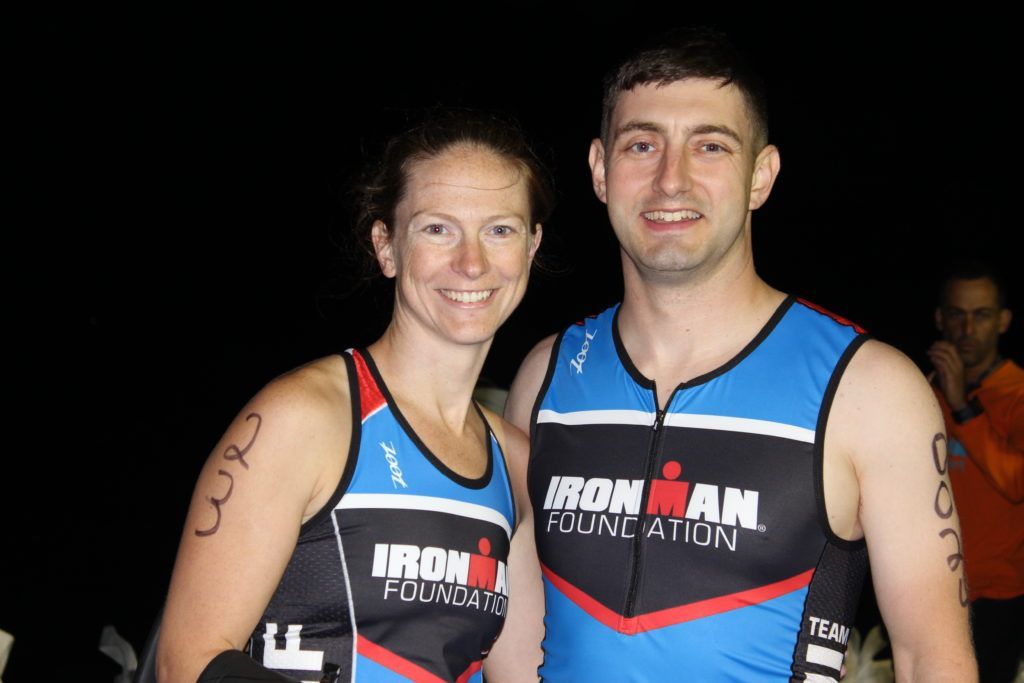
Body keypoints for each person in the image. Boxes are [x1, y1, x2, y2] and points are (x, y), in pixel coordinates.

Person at [488, 28, 977, 682]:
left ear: (761, 176)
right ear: (601, 170)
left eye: (710, 146)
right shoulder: (545, 377)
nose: (671, 179)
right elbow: (517, 641)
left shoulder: (869, 388)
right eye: (642, 144)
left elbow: (932, 660)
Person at [155, 108, 551, 683]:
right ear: (386, 247)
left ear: (532, 247)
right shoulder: (304, 418)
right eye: (437, 229)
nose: (472, 263)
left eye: (500, 230)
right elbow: (187, 661)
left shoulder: (516, 464)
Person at [928, 261, 1022, 682]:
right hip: (932, 587)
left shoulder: (1017, 393)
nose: (967, 329)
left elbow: (1016, 482)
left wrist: (962, 407)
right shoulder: (924, 389)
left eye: (981, 315)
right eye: (957, 314)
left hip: (999, 594)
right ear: (940, 319)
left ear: (1003, 321)